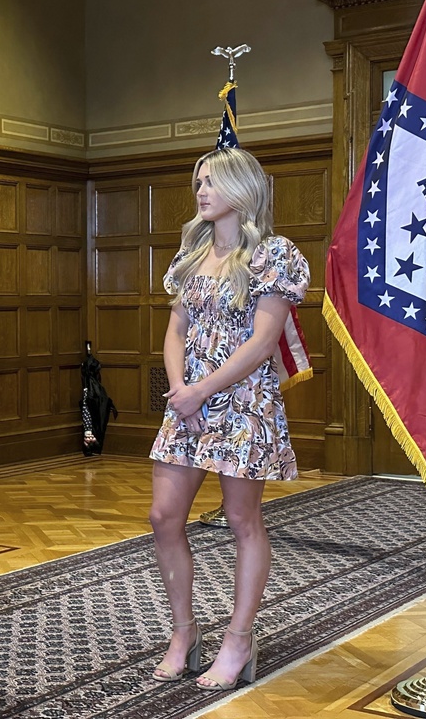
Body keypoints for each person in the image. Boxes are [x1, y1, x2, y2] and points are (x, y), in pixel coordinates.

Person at [148, 147, 309, 691]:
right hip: (187, 404)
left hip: (243, 405)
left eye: (212, 179)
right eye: (198, 179)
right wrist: (179, 390)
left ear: (242, 187)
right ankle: (184, 631)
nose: (201, 189)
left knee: (243, 521)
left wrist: (201, 391)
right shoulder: (192, 254)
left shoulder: (275, 255)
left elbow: (265, 343)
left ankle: (239, 639)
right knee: (163, 517)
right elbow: (175, 330)